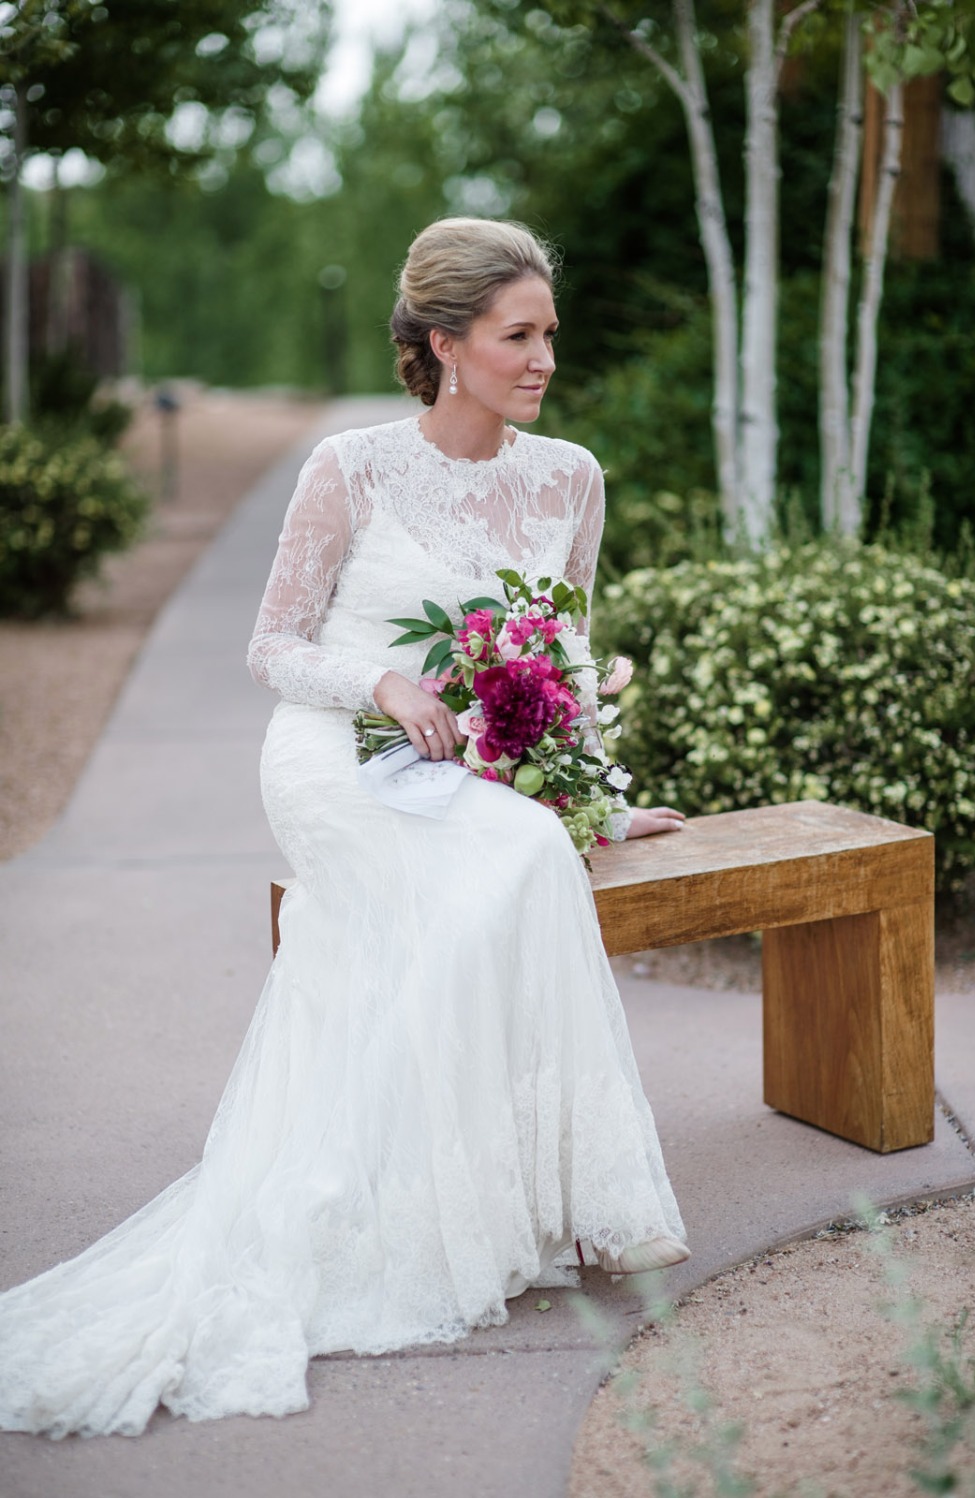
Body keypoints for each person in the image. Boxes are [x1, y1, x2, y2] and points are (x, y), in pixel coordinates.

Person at [0, 218, 688, 1441]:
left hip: (475, 767)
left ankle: (518, 1196)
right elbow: (271, 647)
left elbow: (559, 657)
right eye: (516, 336)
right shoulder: (351, 467)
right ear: (443, 342)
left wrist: (594, 788)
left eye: (548, 335)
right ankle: (422, 1205)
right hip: (338, 755)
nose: (541, 359)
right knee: (521, 861)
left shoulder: (567, 475)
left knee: (532, 851)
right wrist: (380, 686)